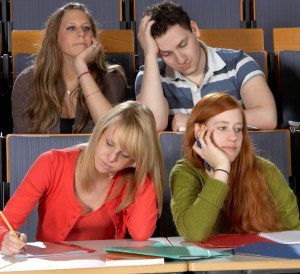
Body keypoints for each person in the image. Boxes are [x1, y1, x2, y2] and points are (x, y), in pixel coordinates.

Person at [0, 101, 164, 255]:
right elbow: (4, 223)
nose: (112, 157)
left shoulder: (130, 178)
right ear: (100, 132)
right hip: (55, 268)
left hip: (105, 269)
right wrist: (5, 239)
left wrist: (143, 171)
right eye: (109, 143)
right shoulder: (50, 163)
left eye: (125, 154)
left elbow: (141, 233)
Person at [170, 92, 300, 242]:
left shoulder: (266, 171)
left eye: (238, 129)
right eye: (222, 128)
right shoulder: (185, 173)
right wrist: (221, 171)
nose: (233, 137)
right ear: (199, 131)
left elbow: (296, 234)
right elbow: (194, 234)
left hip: (262, 263)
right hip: (210, 265)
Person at [135, 1, 277, 132]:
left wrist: (195, 121)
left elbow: (267, 117)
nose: (181, 59)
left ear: (194, 29)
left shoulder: (238, 63)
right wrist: (149, 55)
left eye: (183, 44)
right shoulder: (149, 75)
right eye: (167, 53)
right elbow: (152, 125)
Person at [12, 2, 127, 134]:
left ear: (93, 38)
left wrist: (81, 67)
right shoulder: (27, 82)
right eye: (71, 28)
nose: (81, 33)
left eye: (86, 28)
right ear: (55, 37)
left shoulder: (111, 80)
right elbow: (21, 147)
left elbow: (113, 133)